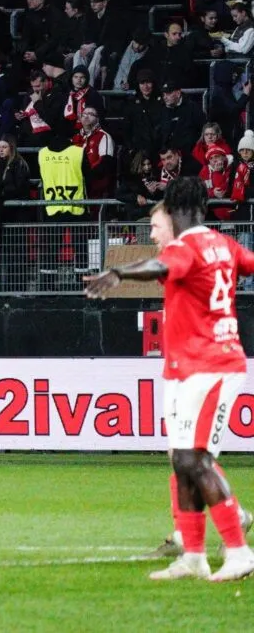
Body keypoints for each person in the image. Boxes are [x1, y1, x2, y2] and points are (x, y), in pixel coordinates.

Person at [84, 178, 254, 583]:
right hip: (196, 365)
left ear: (174, 208)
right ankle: (193, 556)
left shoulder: (186, 247)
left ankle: (238, 550)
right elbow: (248, 263)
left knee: (194, 460)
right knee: (182, 460)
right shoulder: (224, 244)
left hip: (208, 365)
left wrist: (118, 271)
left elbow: (162, 265)